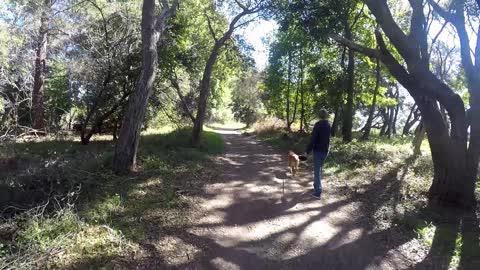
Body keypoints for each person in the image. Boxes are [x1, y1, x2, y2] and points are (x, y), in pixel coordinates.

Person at [304, 109, 331, 199]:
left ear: (319, 115)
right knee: (319, 170)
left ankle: (318, 192)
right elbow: (328, 139)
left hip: (318, 151)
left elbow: (313, 139)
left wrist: (307, 151)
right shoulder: (328, 125)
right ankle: (316, 186)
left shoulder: (318, 125)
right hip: (325, 150)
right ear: (326, 115)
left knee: (317, 171)